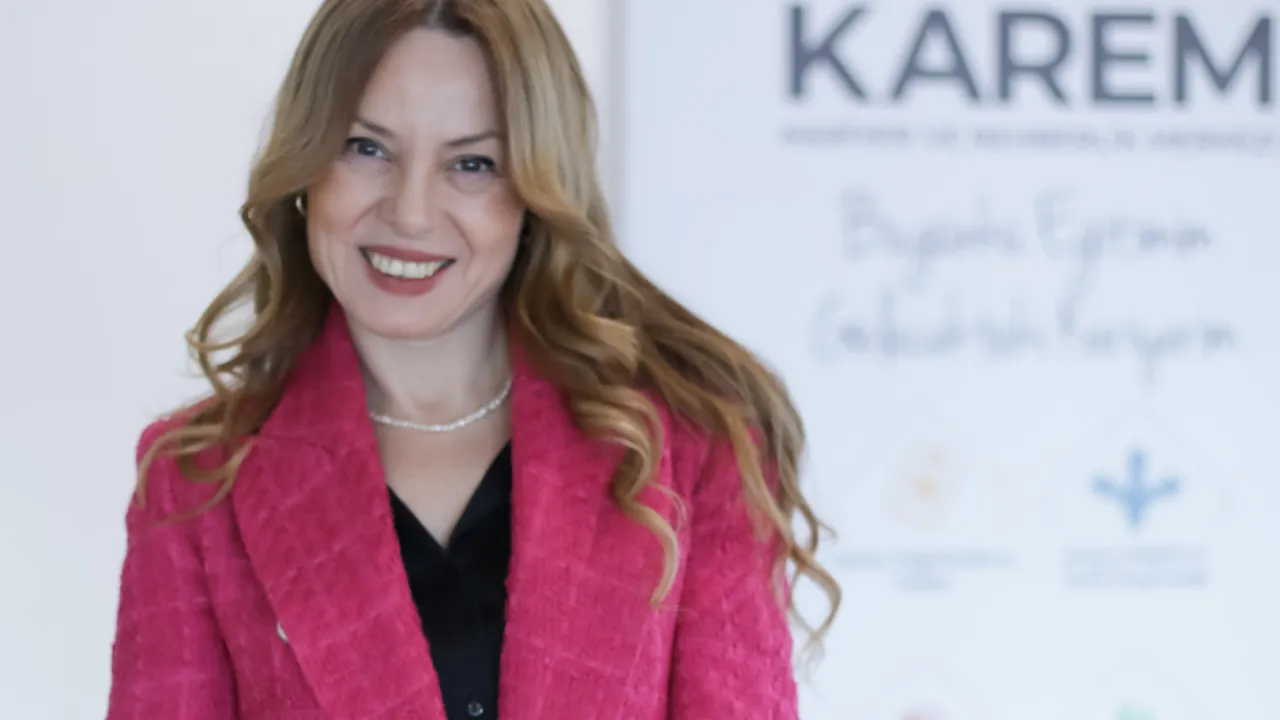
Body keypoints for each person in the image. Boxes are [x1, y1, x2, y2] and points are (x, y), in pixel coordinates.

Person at [106, 0, 841, 718]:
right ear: (306, 165)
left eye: (472, 163)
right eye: (366, 148)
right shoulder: (194, 482)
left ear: (535, 193)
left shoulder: (693, 445)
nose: (411, 212)